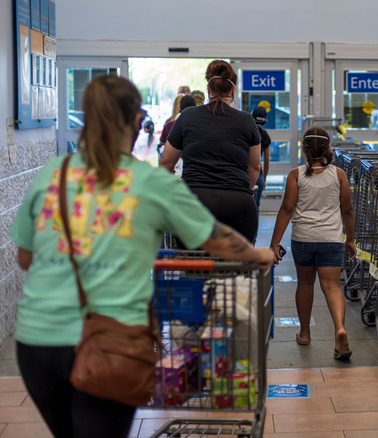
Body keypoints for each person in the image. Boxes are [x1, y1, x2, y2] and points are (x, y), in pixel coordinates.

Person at [9, 75, 274, 438]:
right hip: (112, 341)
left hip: (37, 342)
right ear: (137, 123)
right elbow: (218, 240)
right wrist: (257, 253)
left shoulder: (52, 174)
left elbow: (26, 257)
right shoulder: (150, 183)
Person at [269, 126, 357, 361]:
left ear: (305, 149)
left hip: (303, 239)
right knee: (332, 287)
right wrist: (351, 239)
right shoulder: (338, 174)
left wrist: (274, 243)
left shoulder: (296, 175)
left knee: (305, 284)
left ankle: (305, 333)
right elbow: (347, 210)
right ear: (328, 148)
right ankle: (339, 329)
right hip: (331, 240)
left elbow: (287, 209)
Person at [159, 60, 262, 243]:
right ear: (232, 91)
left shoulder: (188, 116)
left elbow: (166, 162)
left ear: (208, 89)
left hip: (194, 203)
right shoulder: (247, 121)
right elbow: (254, 167)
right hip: (238, 206)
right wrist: (238, 189)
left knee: (193, 266)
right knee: (237, 268)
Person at [251, 106, 272, 212]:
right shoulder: (265, 137)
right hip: (258, 175)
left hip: (244, 173)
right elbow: (267, 163)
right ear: (265, 121)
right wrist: (264, 179)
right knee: (256, 207)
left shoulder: (247, 133)